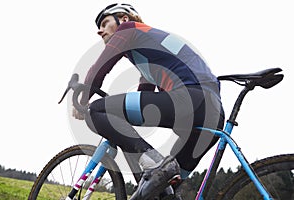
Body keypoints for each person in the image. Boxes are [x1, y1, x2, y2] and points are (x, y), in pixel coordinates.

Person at [73, 3, 225, 200]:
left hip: (191, 99)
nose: (99, 31)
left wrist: (83, 100)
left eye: (104, 22)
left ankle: (153, 162)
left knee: (95, 111)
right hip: (212, 114)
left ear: (124, 19)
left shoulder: (129, 30)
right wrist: (121, 117)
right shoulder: (147, 53)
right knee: (162, 193)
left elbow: (99, 68)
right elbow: (145, 96)